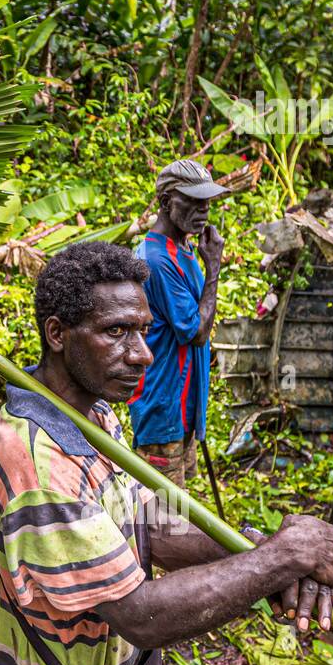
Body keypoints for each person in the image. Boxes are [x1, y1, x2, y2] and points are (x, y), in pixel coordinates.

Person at [0, 242, 333, 665]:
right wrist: (277, 559)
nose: (143, 353)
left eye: (141, 330)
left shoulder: (92, 412)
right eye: (116, 332)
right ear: (58, 334)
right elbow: (138, 613)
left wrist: (259, 551)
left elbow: (147, 516)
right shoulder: (35, 463)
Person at [128, 159, 227, 489]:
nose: (203, 212)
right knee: (163, 516)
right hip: (164, 407)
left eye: (207, 203)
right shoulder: (157, 259)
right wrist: (213, 268)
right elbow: (195, 332)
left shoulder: (182, 248)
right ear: (166, 202)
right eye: (194, 202)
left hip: (183, 407)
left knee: (179, 505)